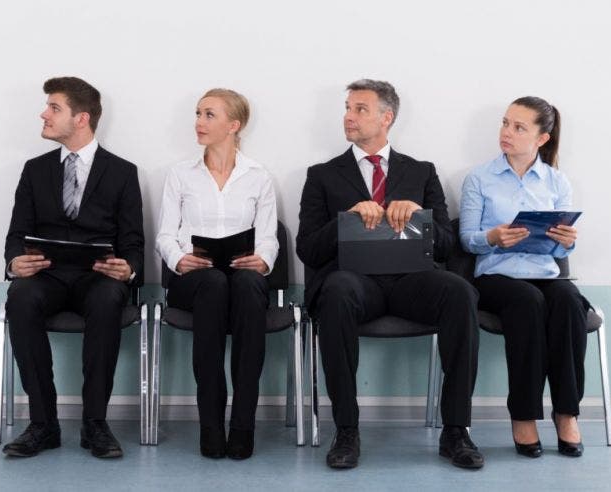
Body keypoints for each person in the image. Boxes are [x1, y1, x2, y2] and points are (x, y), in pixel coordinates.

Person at [297, 79, 483, 470]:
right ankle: (346, 428)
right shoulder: (322, 175)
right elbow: (307, 249)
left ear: (387, 117)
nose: (349, 116)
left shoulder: (422, 171)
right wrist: (344, 220)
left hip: (411, 280)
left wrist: (420, 217)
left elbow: (449, 246)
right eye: (347, 107)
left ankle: (456, 430)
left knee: (460, 292)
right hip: (354, 281)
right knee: (336, 292)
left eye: (360, 109)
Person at [2, 76, 144, 459]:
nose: (43, 114)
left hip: (97, 278)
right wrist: (16, 261)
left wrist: (127, 268)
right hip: (46, 276)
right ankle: (43, 424)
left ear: (81, 118)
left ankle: (94, 424)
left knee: (108, 299)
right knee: (20, 297)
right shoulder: (35, 170)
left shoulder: (122, 172)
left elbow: (133, 242)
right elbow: (16, 234)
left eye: (54, 108)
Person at [459, 96, 589, 458]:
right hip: (496, 279)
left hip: (545, 275)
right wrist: (493, 237)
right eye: (505, 123)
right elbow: (467, 240)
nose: (506, 133)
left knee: (568, 302)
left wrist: (566, 243)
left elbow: (561, 253)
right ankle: (524, 415)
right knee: (527, 302)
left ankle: (566, 412)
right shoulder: (479, 178)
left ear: (541, 138)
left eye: (518, 127)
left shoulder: (556, 182)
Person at [155, 88, 278, 460]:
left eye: (209, 115)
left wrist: (263, 260)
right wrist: (179, 258)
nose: (199, 122)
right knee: (212, 281)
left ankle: (242, 425)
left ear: (233, 125)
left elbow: (269, 236)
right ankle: (210, 424)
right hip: (195, 279)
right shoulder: (180, 174)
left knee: (248, 283)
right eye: (197, 114)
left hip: (241, 277)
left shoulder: (259, 176)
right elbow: (164, 234)